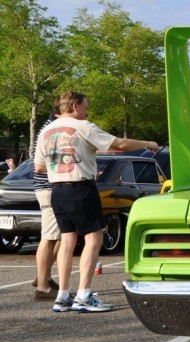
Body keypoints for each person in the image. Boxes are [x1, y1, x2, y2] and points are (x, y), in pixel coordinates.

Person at [34, 91, 159, 313]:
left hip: (57, 190)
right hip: (80, 188)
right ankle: (83, 295)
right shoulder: (84, 127)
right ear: (74, 106)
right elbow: (118, 144)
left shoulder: (46, 131)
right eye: (84, 106)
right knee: (94, 239)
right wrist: (147, 143)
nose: (87, 110)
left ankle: (62, 296)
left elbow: (40, 166)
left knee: (67, 239)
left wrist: (68, 160)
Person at [32, 103, 62, 301]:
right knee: (50, 237)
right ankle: (42, 286)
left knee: (60, 235)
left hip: (53, 188)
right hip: (49, 188)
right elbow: (43, 165)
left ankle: (43, 276)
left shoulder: (52, 127)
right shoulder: (53, 131)